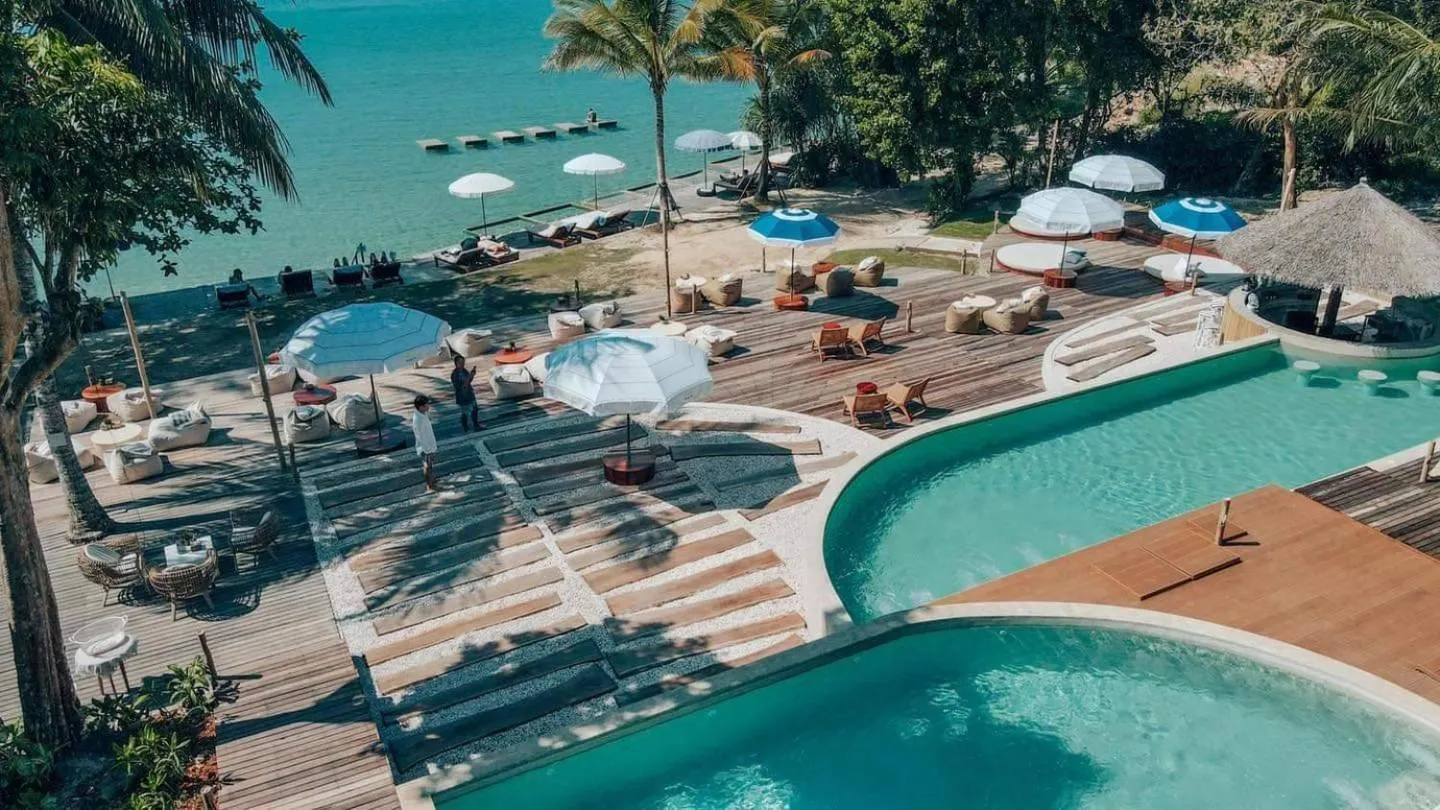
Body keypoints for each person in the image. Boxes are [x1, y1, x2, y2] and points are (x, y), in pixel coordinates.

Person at [412, 395, 439, 492]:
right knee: (427, 466)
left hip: (430, 445)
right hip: (425, 448)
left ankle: (432, 479)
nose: (428, 406)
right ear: (421, 407)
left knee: (430, 465)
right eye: (426, 405)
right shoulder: (418, 420)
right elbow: (420, 437)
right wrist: (428, 450)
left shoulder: (423, 414)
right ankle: (429, 484)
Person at [450, 355, 481, 432]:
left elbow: (469, 381)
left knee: (475, 409)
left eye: (463, 362)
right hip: (462, 396)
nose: (463, 364)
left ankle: (476, 425)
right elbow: (461, 386)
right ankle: (465, 427)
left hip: (469, 393)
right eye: (460, 362)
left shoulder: (464, 370)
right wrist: (468, 377)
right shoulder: (455, 374)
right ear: (456, 363)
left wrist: (472, 375)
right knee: (465, 413)